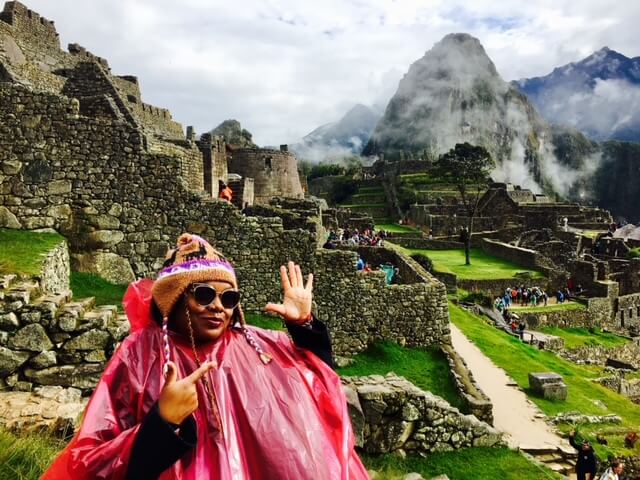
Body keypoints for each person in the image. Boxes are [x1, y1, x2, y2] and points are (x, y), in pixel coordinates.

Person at [43, 233, 368, 480]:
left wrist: (305, 327)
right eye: (204, 294)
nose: (218, 306)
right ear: (174, 299)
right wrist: (163, 424)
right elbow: (92, 458)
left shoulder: (258, 345)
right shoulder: (141, 353)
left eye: (229, 298)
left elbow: (317, 381)